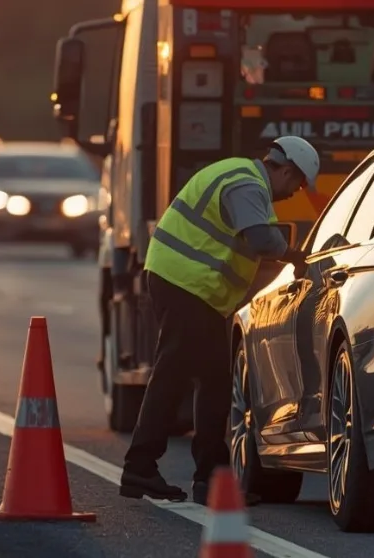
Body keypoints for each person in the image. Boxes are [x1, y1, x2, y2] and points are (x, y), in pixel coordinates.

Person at [119, 135, 319, 505]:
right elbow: (260, 239)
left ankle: (208, 478)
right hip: (185, 284)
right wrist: (295, 255)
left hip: (190, 288)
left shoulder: (238, 176)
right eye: (298, 184)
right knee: (174, 374)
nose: (295, 193)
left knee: (212, 382)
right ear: (286, 170)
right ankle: (141, 467)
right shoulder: (246, 184)